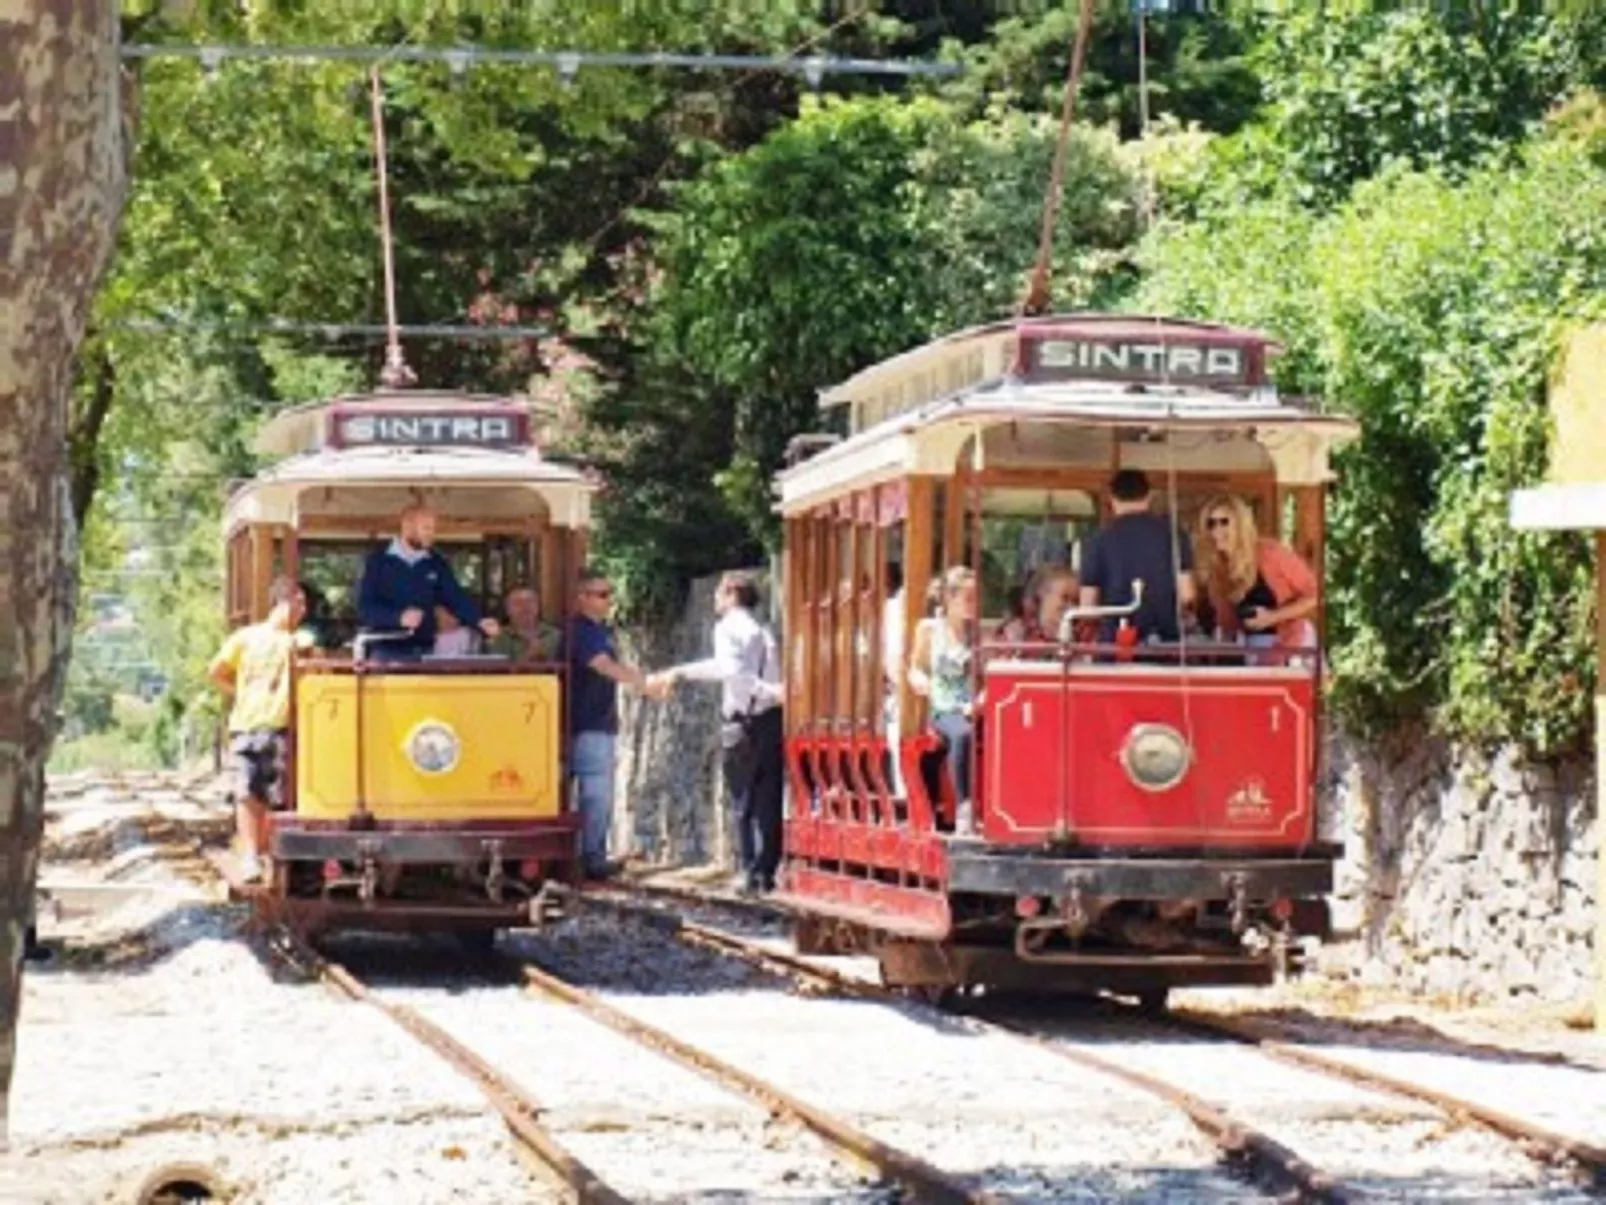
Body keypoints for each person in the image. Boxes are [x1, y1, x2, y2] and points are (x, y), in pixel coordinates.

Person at [653, 571, 786, 894]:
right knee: (769, 799)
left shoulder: (726, 628)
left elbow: (732, 673)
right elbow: (733, 668)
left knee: (743, 800)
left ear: (731, 595)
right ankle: (766, 872)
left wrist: (767, 691)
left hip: (743, 721)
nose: (714, 598)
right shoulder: (763, 630)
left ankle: (748, 871)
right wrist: (681, 672)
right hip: (772, 719)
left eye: (718, 593)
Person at [207, 576, 308, 884]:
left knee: (273, 797)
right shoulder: (247, 638)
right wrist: (241, 693)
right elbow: (216, 671)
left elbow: (216, 672)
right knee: (247, 792)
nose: (303, 610)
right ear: (284, 601)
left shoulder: (297, 641)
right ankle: (251, 855)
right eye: (300, 602)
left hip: (279, 726)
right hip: (248, 724)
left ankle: (265, 855)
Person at [568, 566, 667, 879]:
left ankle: (585, 855)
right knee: (596, 793)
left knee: (593, 794)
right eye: (601, 594)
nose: (608, 600)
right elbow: (603, 665)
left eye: (609, 594)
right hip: (587, 723)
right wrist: (644, 682)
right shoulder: (583, 632)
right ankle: (592, 857)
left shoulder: (597, 631)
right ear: (582, 597)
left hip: (592, 722)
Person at [356, 504, 498, 659]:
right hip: (386, 652)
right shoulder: (377, 562)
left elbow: (455, 597)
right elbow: (365, 608)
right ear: (407, 526)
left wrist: (479, 620)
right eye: (426, 528)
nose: (431, 534)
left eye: (433, 529)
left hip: (425, 650)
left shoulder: (435, 563)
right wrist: (398, 617)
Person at [1078, 469, 1197, 644]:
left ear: (1112, 499)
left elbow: (1088, 605)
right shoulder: (1174, 534)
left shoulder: (1098, 539)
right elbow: (1187, 594)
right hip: (1165, 639)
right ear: (1149, 496)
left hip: (1116, 642)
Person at [907, 566, 979, 835]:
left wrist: (979, 701)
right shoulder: (929, 629)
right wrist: (919, 681)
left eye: (975, 598)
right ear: (950, 598)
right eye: (967, 598)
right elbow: (916, 667)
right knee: (962, 734)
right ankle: (964, 807)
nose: (972, 604)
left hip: (972, 706)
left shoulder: (977, 634)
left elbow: (984, 676)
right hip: (943, 706)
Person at [1196, 493, 1319, 649]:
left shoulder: (1270, 552)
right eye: (1211, 524)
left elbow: (1314, 594)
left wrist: (1272, 617)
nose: (1217, 530)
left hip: (1292, 641)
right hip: (1251, 646)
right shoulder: (1218, 566)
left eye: (1224, 522)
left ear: (1240, 524)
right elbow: (1226, 620)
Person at [490, 586, 562, 662]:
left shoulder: (555, 635)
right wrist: (529, 658)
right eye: (518, 603)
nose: (525, 606)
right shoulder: (499, 638)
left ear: (538, 606)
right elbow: (497, 668)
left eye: (530, 601)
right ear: (508, 610)